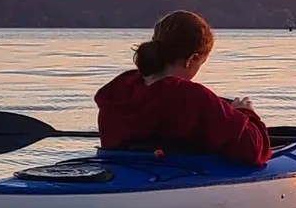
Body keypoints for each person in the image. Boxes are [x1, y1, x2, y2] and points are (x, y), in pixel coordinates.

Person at [94, 11, 271, 166]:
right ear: (191, 58)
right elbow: (255, 150)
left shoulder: (120, 88)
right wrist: (246, 113)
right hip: (170, 178)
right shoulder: (193, 96)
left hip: (121, 169)